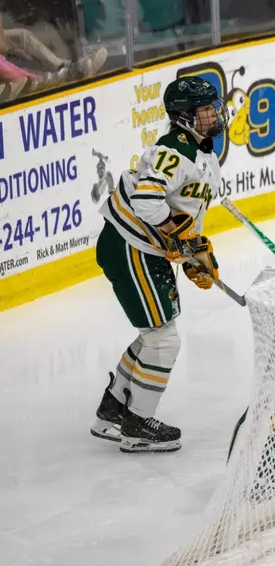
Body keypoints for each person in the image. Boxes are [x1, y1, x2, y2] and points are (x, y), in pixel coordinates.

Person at [90, 77, 229, 453]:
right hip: (130, 247)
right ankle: (137, 427)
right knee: (163, 341)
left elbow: (188, 214)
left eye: (214, 106)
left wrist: (189, 254)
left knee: (155, 335)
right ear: (184, 116)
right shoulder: (171, 150)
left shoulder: (204, 152)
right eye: (205, 109)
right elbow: (147, 205)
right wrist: (178, 239)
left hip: (143, 250)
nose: (215, 113)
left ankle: (112, 410)